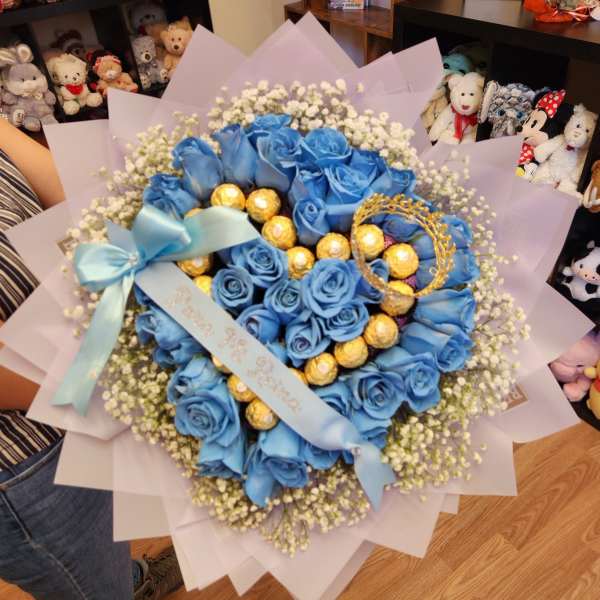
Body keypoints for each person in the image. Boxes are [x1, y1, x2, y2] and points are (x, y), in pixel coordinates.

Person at [0, 119, 183, 600]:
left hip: (83, 373)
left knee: (105, 537)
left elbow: (63, 187)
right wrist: (139, 370)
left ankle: (122, 576)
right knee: (87, 579)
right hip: (26, 455)